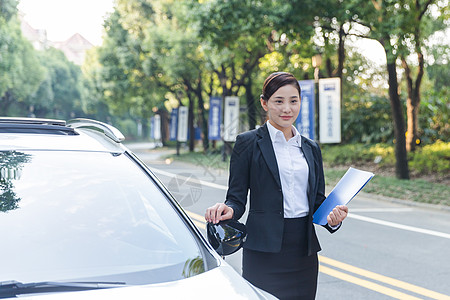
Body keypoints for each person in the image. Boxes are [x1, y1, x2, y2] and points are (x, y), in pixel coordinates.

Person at [205, 72, 348, 299]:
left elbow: (318, 201)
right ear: (265, 103)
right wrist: (228, 209)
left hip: (304, 252)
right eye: (278, 101)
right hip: (263, 252)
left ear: (301, 101)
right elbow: (236, 198)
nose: (287, 109)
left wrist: (334, 218)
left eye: (293, 101)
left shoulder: (311, 148)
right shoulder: (248, 143)